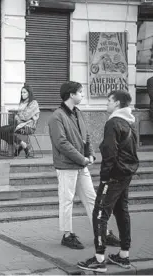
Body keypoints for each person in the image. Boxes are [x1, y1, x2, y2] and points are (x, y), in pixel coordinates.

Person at [48, 81, 120, 250]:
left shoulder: (78, 113)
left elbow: (86, 136)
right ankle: (67, 235)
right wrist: (82, 158)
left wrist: (91, 154)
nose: (82, 95)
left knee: (92, 199)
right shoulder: (56, 116)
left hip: (81, 164)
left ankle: (104, 232)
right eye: (80, 92)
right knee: (67, 201)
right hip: (67, 166)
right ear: (71, 94)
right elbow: (61, 143)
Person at [77, 90, 139, 273]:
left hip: (113, 176)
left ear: (118, 103)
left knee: (99, 214)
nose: (107, 104)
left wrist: (105, 177)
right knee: (121, 212)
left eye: (110, 101)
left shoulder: (113, 123)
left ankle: (99, 258)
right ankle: (124, 256)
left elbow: (110, 151)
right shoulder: (130, 122)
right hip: (125, 174)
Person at [0, 84, 40, 157]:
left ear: (29, 93)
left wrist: (18, 116)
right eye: (21, 92)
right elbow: (19, 115)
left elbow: (25, 116)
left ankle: (22, 146)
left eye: (24, 92)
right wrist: (18, 116)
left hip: (28, 127)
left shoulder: (33, 103)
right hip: (20, 125)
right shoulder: (23, 103)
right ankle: (23, 145)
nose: (22, 94)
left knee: (5, 131)